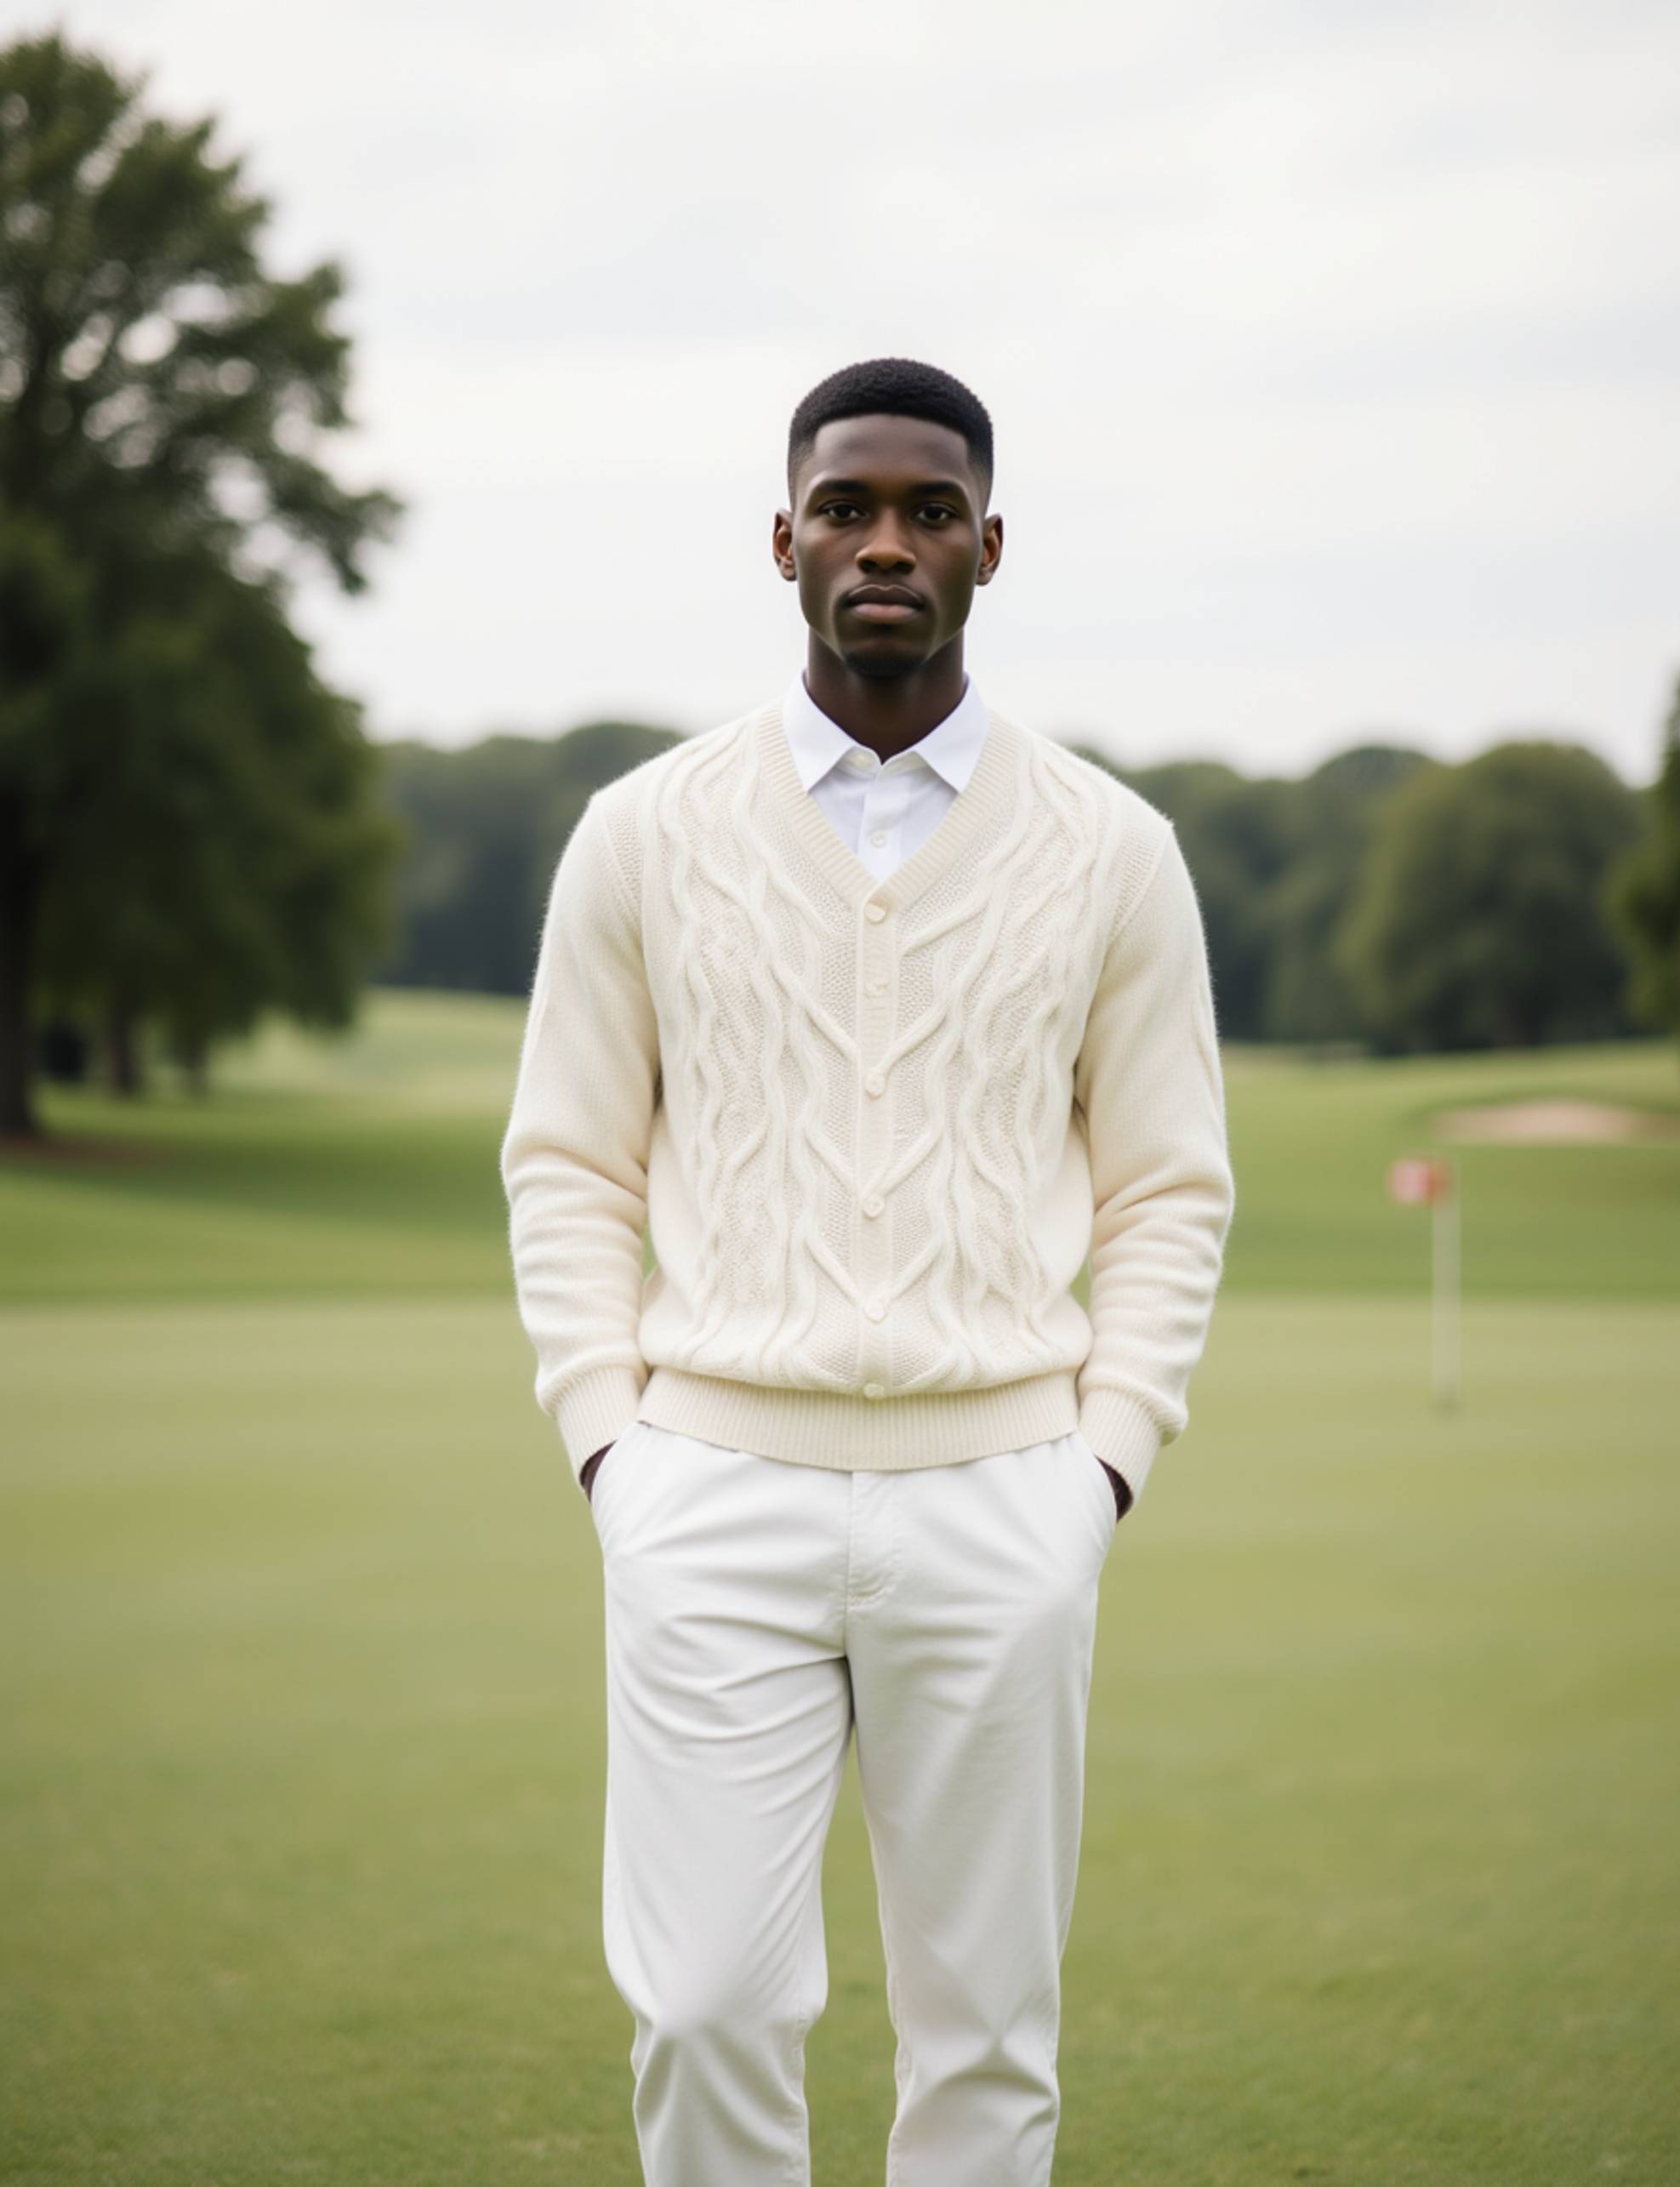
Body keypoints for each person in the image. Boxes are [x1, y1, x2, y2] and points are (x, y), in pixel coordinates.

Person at [499, 355, 1235, 2186]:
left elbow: (1167, 1186)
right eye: (846, 506)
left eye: (925, 510)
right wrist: (616, 1449)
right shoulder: (644, 833)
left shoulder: (1114, 854)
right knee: (704, 2007)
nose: (884, 541)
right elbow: (570, 1159)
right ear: (782, 541)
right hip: (706, 1490)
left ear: (991, 543)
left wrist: (1101, 1466)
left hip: (1004, 1496)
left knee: (985, 2038)